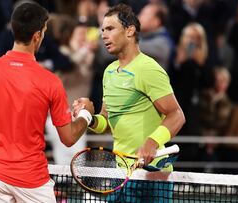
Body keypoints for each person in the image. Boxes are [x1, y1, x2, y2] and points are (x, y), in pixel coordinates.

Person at [0, 2, 94, 202]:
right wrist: (86, 115)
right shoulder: (50, 81)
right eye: (44, 31)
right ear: (37, 36)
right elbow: (68, 138)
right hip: (33, 181)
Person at [73, 4, 185, 202]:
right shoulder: (109, 73)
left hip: (151, 176)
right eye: (102, 30)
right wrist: (89, 117)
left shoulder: (148, 69)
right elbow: (107, 123)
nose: (103, 35)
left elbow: (176, 115)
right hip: (120, 175)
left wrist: (152, 142)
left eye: (110, 29)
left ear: (130, 30)